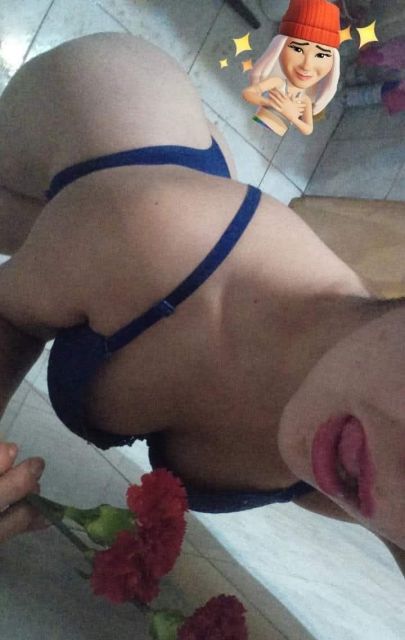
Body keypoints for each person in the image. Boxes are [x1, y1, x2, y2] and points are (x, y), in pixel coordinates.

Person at [0, 33, 404, 575]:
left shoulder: (369, 454)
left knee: (62, 262)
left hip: (142, 232)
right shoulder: (154, 234)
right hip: (100, 112)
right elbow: (9, 313)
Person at [242, 0, 341, 135]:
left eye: (321, 55)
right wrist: (274, 105)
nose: (307, 65)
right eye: (298, 49)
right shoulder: (278, 82)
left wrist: (292, 116)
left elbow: (308, 129)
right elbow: (248, 93)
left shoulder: (305, 99)